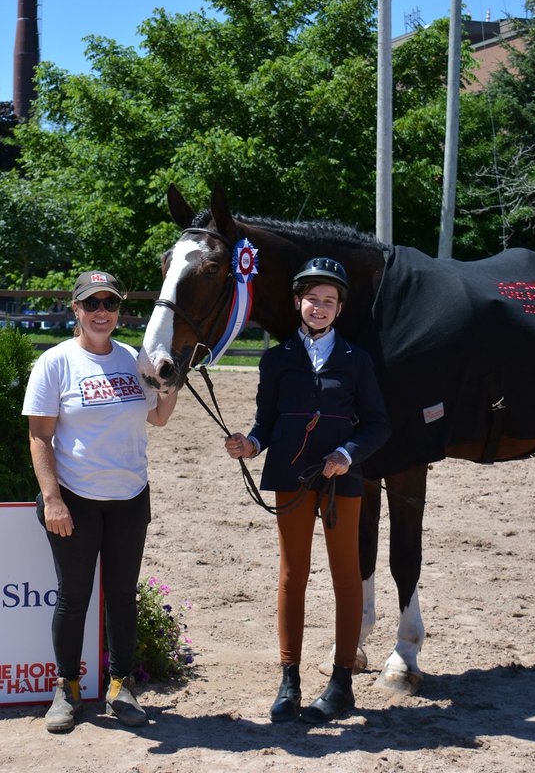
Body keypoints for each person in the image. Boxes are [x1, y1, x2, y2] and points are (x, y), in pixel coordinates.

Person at [224, 257, 390, 725]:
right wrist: (249, 445)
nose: (319, 307)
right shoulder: (276, 359)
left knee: (345, 575)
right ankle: (289, 678)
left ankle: (341, 683)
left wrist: (348, 454)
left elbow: (378, 424)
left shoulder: (358, 361)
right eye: (313, 299)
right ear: (298, 302)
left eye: (329, 301)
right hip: (291, 477)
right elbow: (266, 423)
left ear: (339, 309)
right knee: (292, 574)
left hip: (341, 481)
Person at [22, 270, 179, 733]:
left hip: (130, 497)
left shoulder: (133, 358)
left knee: (122, 596)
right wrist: (52, 499)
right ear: (76, 310)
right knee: (74, 597)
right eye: (92, 304)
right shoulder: (55, 362)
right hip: (76, 499)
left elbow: (158, 416)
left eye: (110, 304)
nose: (102, 312)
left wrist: (173, 383)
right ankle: (67, 688)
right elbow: (39, 436)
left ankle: (120, 685)